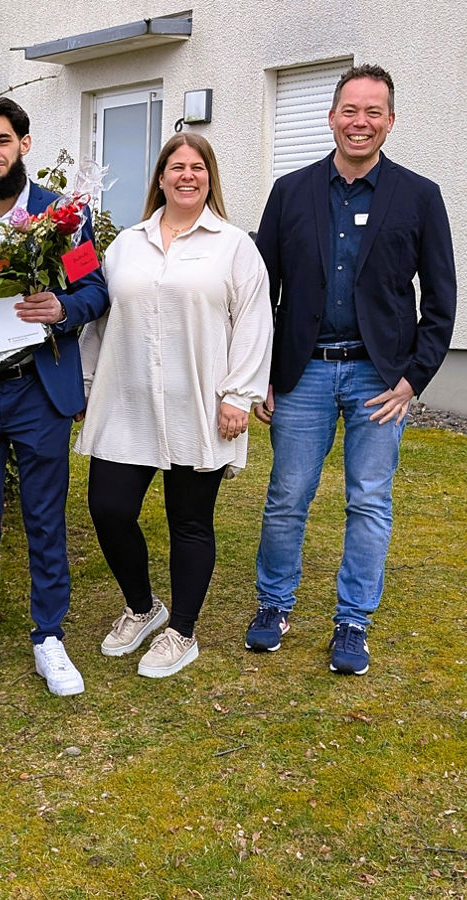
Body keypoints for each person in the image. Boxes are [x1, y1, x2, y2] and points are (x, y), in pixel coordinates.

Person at [247, 64, 456, 675]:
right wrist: (259, 372)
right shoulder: (291, 192)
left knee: (369, 501)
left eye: (373, 112)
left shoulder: (419, 196)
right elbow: (263, 291)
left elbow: (441, 300)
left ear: (390, 122)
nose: (359, 122)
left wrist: (413, 379)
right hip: (302, 373)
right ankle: (273, 605)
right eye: (350, 110)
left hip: (379, 380)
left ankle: (353, 621)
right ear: (331, 116)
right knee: (287, 496)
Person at [0, 98, 110, 697]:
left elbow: (94, 289)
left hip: (37, 385)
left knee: (44, 519)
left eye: (2, 141)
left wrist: (61, 310)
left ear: (24, 145)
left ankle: (48, 638)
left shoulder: (62, 215)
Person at [77, 133, 273, 677]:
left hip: (200, 403)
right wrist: (87, 384)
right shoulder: (125, 246)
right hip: (127, 399)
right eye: (176, 167)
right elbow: (98, 318)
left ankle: (181, 631)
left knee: (189, 520)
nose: (187, 176)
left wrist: (238, 394)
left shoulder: (234, 246)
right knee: (109, 508)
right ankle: (142, 607)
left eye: (197, 167)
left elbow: (255, 322)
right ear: (160, 177)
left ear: (210, 177)